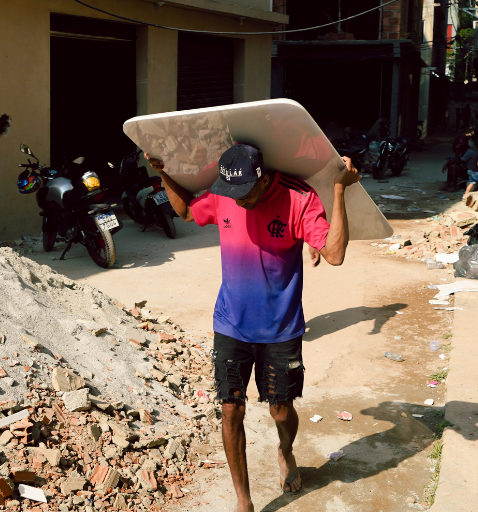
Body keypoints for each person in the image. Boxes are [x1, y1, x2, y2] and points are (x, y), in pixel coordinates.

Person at [146, 143, 360, 509]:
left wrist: (339, 189)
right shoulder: (224, 195)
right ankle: (243, 501)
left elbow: (335, 253)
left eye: (244, 193)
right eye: (232, 193)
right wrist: (164, 173)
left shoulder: (298, 198)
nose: (237, 201)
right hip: (230, 323)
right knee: (231, 409)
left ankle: (286, 449)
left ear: (262, 180)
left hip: (281, 328)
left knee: (280, 409)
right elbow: (184, 210)